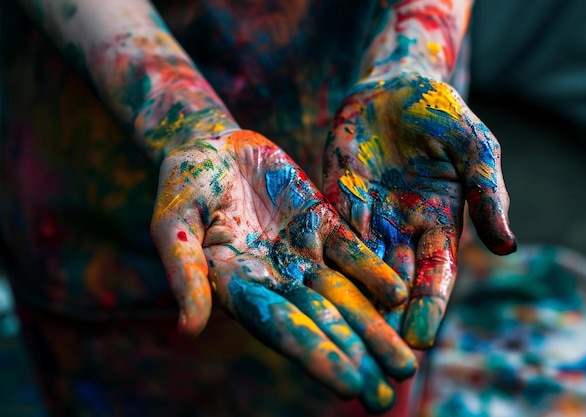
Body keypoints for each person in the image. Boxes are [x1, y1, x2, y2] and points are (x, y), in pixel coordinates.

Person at [0, 0, 515, 415]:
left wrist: (409, 59)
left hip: (378, 144)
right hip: (111, 133)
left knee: (373, 339)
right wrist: (187, 123)